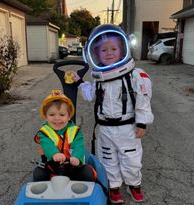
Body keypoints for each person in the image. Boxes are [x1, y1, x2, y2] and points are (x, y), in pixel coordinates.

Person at [75, 24, 154, 203]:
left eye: (113, 48)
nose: (108, 52)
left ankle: (134, 184)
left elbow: (142, 100)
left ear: (123, 49)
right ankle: (114, 186)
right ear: (95, 54)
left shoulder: (134, 76)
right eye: (103, 50)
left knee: (131, 159)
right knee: (108, 159)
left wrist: (142, 123)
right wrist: (79, 81)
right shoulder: (99, 79)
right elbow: (89, 95)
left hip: (128, 128)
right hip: (105, 129)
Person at [33, 90, 96, 182]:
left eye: (62, 115)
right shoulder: (43, 132)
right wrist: (54, 154)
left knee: (87, 174)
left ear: (69, 116)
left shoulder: (75, 131)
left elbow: (79, 146)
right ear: (46, 116)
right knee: (38, 174)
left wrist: (76, 157)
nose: (57, 118)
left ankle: (80, 188)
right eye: (51, 115)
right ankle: (46, 192)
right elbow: (47, 144)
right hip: (52, 166)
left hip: (72, 166)